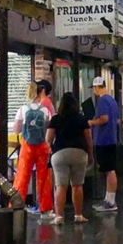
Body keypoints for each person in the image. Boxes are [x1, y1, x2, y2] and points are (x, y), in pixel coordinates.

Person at [46, 91, 93, 225]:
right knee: (77, 185)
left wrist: (51, 150)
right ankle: (78, 215)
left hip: (59, 154)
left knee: (60, 186)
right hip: (79, 153)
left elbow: (48, 139)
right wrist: (90, 154)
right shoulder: (81, 118)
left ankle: (59, 217)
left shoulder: (55, 118)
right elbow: (88, 138)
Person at [12, 81, 54, 215]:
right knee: (44, 177)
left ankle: (16, 205)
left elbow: (16, 130)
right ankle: (45, 207)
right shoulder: (45, 110)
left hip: (27, 148)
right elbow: (49, 128)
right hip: (42, 147)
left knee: (22, 177)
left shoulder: (22, 109)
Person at [88, 76, 120, 212]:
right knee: (109, 170)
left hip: (103, 140)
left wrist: (91, 122)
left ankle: (111, 202)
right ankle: (108, 199)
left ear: (96, 87)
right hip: (111, 138)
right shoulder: (112, 101)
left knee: (109, 170)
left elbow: (104, 118)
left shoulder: (101, 101)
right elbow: (116, 120)